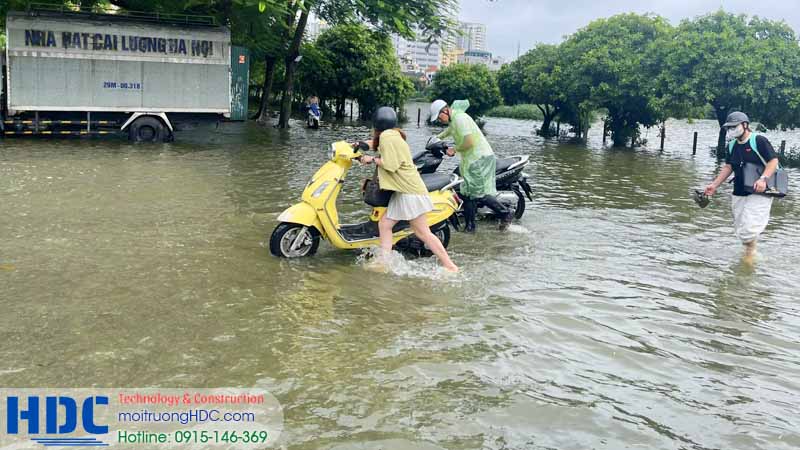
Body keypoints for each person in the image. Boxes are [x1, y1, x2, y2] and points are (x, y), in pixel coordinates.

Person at [359, 107, 459, 272]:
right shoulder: (394, 135)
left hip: (409, 192)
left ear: (377, 123)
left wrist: (371, 159)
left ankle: (450, 266)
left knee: (422, 233)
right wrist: (357, 145)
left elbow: (391, 165)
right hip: (406, 190)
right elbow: (378, 146)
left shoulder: (386, 137)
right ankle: (384, 262)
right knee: (385, 224)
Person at [704, 111, 780, 262]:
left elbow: (773, 161)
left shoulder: (759, 140)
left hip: (759, 191)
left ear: (745, 125)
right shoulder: (731, 145)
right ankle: (750, 253)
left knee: (749, 228)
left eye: (734, 126)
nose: (731, 130)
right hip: (739, 190)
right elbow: (728, 167)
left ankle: (749, 257)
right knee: (741, 228)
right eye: (729, 127)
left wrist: (763, 179)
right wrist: (714, 185)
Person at [430, 99, 513, 232]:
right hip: (471, 160)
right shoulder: (454, 120)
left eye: (439, 117)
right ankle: (470, 227)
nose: (440, 120)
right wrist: (436, 139)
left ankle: (505, 213)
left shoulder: (460, 119)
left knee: (477, 193)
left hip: (480, 159)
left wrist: (454, 149)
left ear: (445, 110)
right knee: (467, 193)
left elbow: (469, 142)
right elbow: (448, 131)